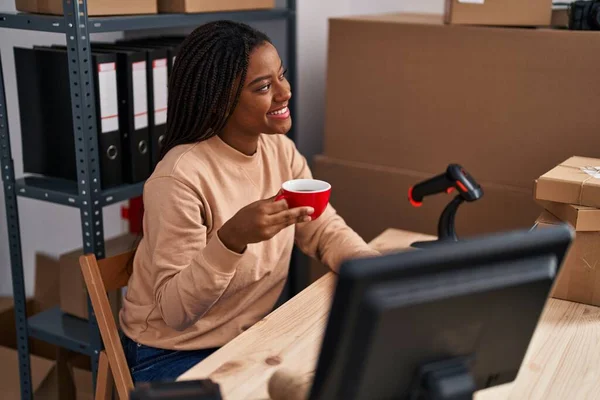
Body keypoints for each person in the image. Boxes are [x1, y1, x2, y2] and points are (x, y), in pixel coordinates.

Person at [119, 20, 380, 383]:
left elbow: (322, 229)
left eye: (282, 76)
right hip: (170, 351)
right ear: (220, 101)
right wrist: (232, 239)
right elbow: (177, 314)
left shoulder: (279, 151)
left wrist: (376, 271)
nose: (285, 92)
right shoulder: (178, 178)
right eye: (263, 86)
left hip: (248, 338)